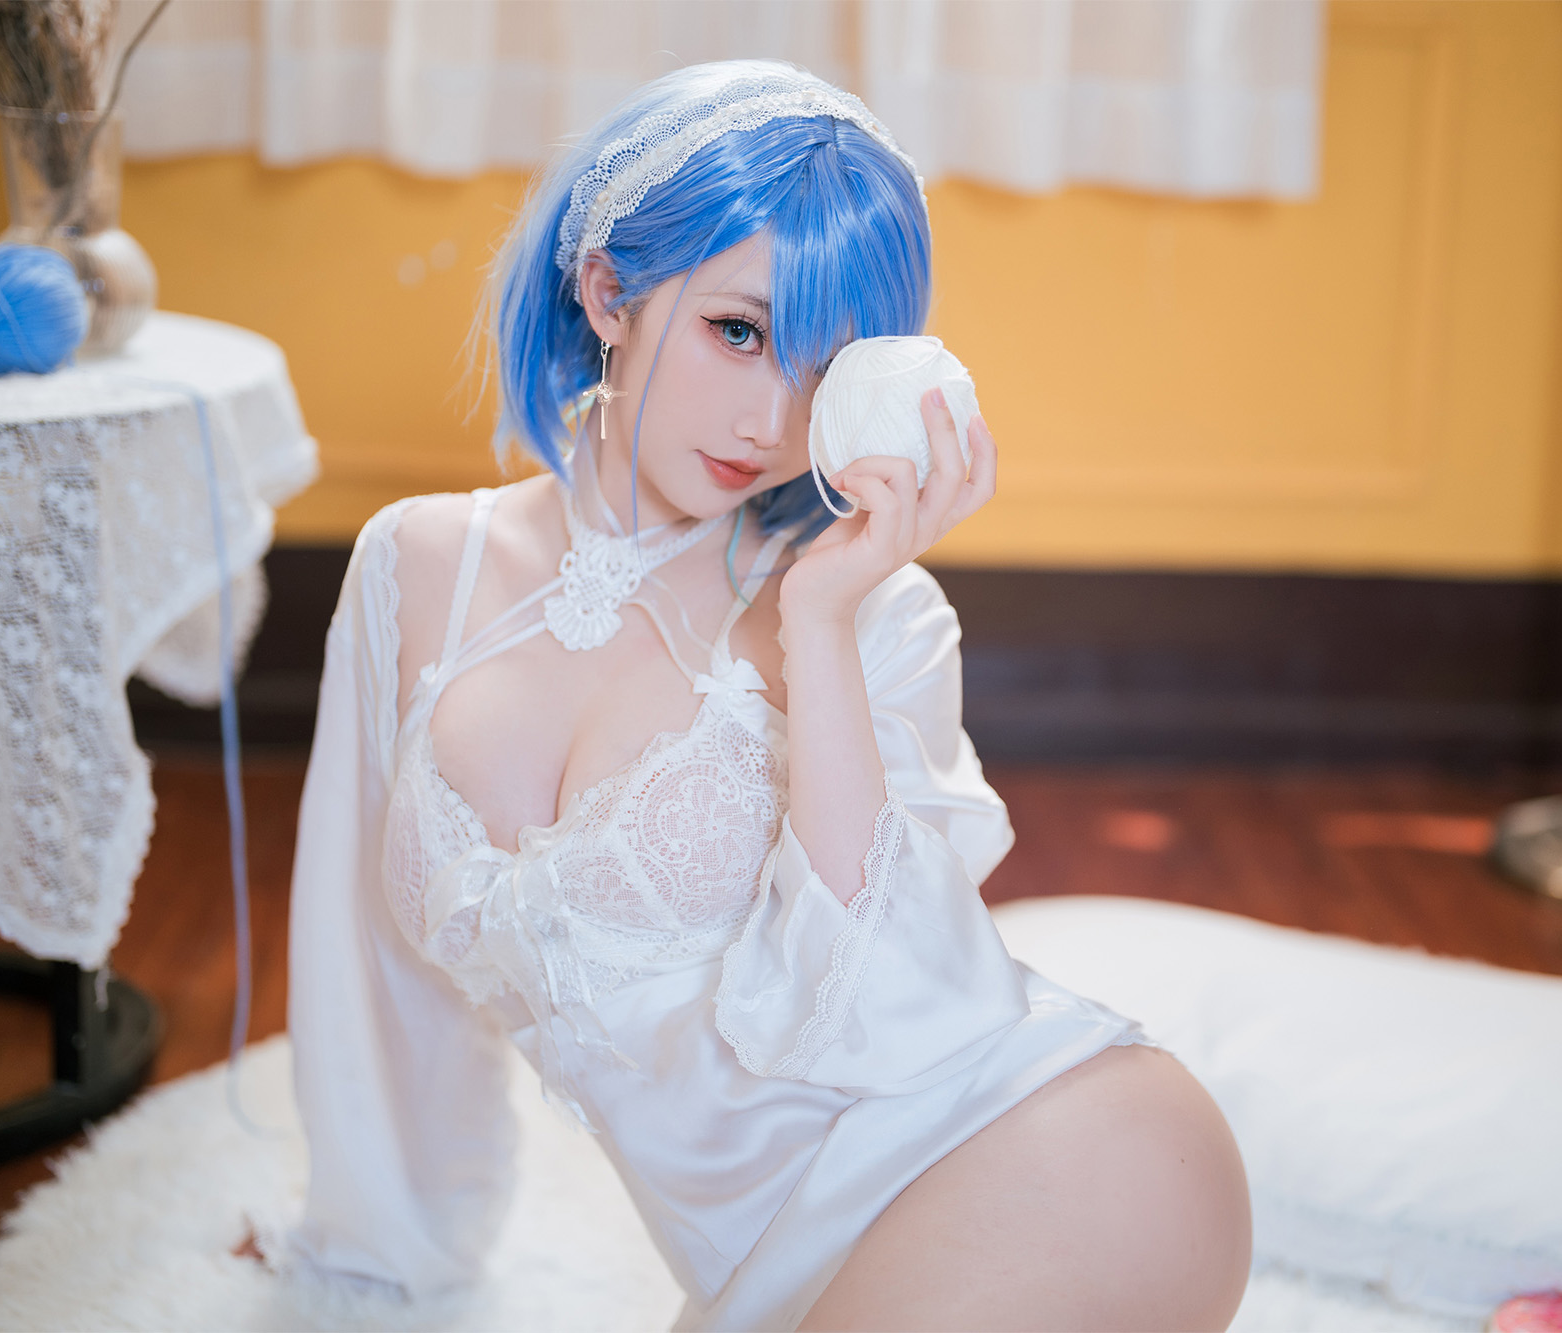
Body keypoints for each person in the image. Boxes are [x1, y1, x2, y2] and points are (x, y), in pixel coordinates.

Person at [280, 59, 1253, 1332]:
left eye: (822, 368)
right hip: (768, 1271)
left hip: (1053, 1159)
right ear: (609, 292)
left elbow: (895, 998)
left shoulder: (874, 615)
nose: (770, 420)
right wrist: (372, 1246)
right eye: (738, 332)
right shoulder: (418, 564)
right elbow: (368, 961)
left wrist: (820, 620)